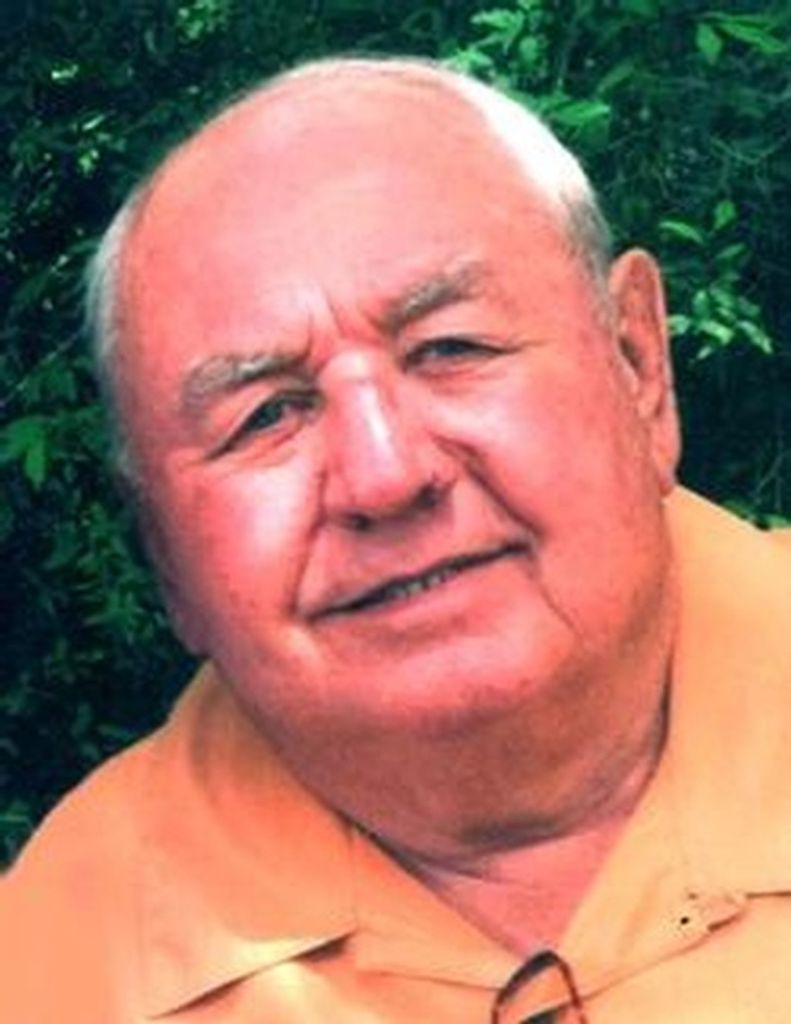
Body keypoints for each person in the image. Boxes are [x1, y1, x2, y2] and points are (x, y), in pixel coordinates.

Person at [3, 56, 791, 1024]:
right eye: (266, 415)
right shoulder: (54, 973)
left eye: (450, 348)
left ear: (637, 364)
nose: (384, 474)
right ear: (162, 552)